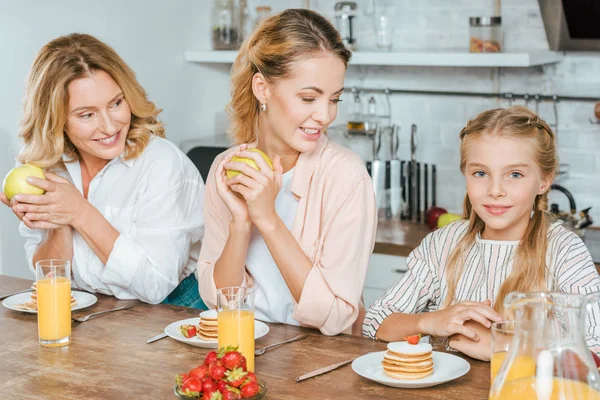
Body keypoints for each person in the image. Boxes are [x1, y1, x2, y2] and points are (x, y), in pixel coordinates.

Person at [363, 106, 600, 358]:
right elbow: (375, 321)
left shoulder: (563, 250)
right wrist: (431, 321)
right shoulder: (443, 243)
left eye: (515, 174)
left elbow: (595, 345)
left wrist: (503, 346)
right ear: (465, 173)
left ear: (544, 180)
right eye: (480, 173)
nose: (495, 189)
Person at [197, 9, 377, 336]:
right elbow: (216, 300)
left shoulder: (346, 176)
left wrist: (267, 219)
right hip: (241, 355)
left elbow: (336, 319)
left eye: (333, 99)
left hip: (318, 369)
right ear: (262, 88)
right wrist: (241, 224)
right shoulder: (227, 169)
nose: (324, 115)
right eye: (308, 97)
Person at [0, 33, 206, 307]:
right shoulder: (41, 165)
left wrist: (80, 213)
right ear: (55, 120)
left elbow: (155, 287)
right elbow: (48, 279)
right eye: (87, 115)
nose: (110, 127)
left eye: (116, 103)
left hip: (173, 311)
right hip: (94, 312)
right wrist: (59, 224)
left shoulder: (162, 164)